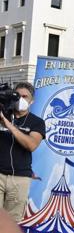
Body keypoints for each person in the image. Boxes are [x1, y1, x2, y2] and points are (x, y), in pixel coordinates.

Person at [0, 82, 45, 222]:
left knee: (10, 225)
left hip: (19, 179)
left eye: (25, 97)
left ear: (32, 101)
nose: (21, 99)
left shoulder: (37, 122)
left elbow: (31, 145)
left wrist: (9, 125)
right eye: (17, 96)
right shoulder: (3, 114)